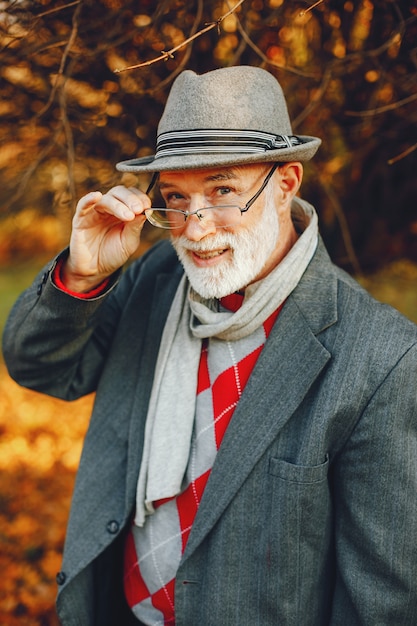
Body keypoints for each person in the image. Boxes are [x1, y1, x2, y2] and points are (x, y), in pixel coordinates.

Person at [3, 66, 417, 626]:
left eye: (223, 191)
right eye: (175, 198)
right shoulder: (152, 277)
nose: (196, 230)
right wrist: (81, 275)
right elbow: (40, 367)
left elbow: (381, 599)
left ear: (287, 182)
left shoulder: (381, 356)